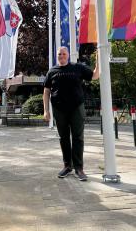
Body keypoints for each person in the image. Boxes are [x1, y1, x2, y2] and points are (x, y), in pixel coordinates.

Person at [43, 46, 99, 181]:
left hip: (76, 108)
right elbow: (46, 92)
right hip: (59, 109)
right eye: (59, 54)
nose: (61, 56)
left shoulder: (77, 67)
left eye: (63, 54)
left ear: (67, 55)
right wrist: (46, 110)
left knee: (78, 137)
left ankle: (79, 168)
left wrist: (98, 59)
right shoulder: (52, 71)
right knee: (64, 138)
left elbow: (95, 76)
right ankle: (67, 166)